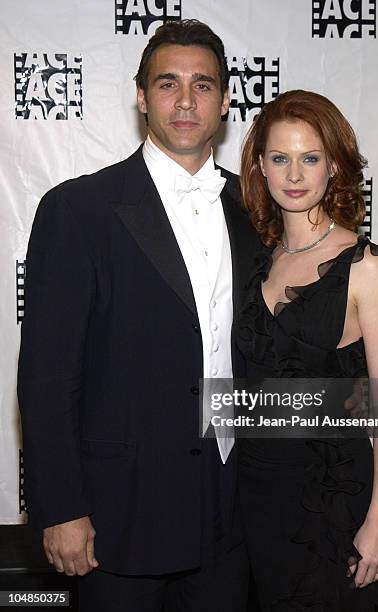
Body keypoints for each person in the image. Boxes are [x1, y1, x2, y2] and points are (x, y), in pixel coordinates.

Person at [17, 19, 261, 612]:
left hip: (234, 508)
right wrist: (63, 509)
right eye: (167, 84)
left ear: (226, 101)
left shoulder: (256, 208)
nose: (184, 100)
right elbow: (47, 379)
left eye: (203, 85)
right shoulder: (79, 209)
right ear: (141, 95)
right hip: (118, 515)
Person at [236, 90, 378, 611]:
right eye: (280, 158)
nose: (294, 173)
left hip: (332, 500)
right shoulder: (259, 260)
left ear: (333, 165)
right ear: (261, 167)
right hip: (256, 496)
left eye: (309, 157)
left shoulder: (367, 265)